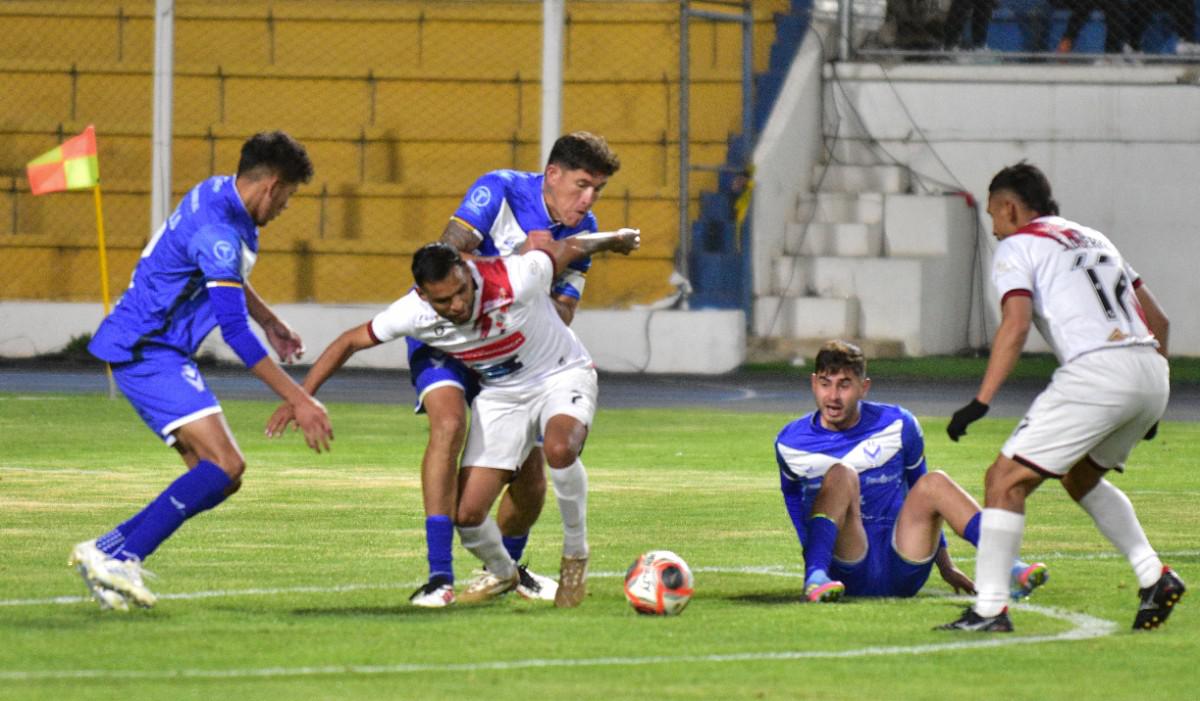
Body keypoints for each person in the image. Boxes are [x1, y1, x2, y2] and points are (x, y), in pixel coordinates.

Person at [269, 234, 640, 608]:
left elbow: (567, 248)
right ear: (424, 295)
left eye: (461, 291)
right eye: (444, 300)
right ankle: (504, 572)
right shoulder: (412, 312)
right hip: (502, 395)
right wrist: (302, 396)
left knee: (559, 449)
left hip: (562, 374)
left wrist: (613, 241)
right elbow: (350, 341)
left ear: (466, 271)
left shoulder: (515, 276)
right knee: (467, 516)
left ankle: (575, 554)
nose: (459, 305)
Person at [70, 131, 334, 611]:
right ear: (272, 185)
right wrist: (299, 398)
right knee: (227, 464)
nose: (284, 209)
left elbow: (227, 276)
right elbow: (232, 331)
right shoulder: (219, 232)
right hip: (148, 349)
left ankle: (105, 550)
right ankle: (123, 557)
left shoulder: (217, 191)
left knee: (217, 479)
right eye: (289, 198)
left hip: (155, 348)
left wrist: (270, 319)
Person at [939, 162, 1184, 632]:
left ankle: (989, 609)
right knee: (1079, 477)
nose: (993, 228)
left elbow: (1015, 323)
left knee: (1003, 480)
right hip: (1152, 369)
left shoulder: (1018, 245)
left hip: (1098, 372)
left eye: (993, 215)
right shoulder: (1095, 239)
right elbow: (1161, 320)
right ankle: (1153, 575)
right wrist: (1154, 397)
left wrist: (981, 401)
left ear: (1010, 207)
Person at [404, 131, 622, 607]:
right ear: (553, 175)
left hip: (506, 353)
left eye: (597, 191)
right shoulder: (499, 188)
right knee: (449, 423)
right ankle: (439, 576)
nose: (587, 200)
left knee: (530, 477)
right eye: (581, 185)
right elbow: (445, 261)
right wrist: (524, 259)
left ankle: (502, 570)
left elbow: (562, 313)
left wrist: (538, 272)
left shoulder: (584, 230)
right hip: (449, 336)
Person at [777, 340, 1048, 603]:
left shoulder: (898, 424)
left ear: (864, 387)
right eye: (825, 384)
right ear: (814, 383)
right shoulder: (790, 442)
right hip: (848, 566)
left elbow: (923, 491)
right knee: (841, 474)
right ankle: (816, 577)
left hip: (904, 562)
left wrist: (945, 566)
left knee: (934, 482)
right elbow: (792, 498)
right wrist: (811, 552)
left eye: (844, 385)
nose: (833, 396)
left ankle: (1008, 566)